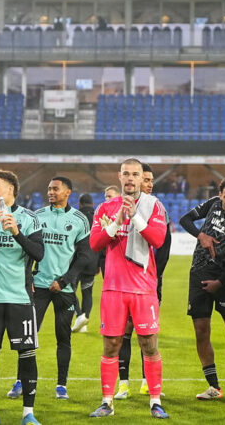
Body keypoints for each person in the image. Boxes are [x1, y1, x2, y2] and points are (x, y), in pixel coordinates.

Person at [88, 158, 169, 420]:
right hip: (113, 288)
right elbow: (95, 243)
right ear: (120, 177)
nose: (131, 178)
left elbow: (158, 239)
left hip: (143, 288)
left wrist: (136, 218)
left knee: (149, 344)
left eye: (136, 174)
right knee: (111, 345)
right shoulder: (105, 207)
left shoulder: (153, 206)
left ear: (142, 177)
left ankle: (155, 400)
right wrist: (118, 220)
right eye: (126, 174)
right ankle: (107, 402)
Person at [0, 169, 45, 425]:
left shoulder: (30, 219)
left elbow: (39, 254)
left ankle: (28, 414)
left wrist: (16, 233)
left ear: (11, 190)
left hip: (20, 299)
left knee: (27, 355)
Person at [8, 175, 91, 401]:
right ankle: (19, 381)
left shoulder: (79, 220)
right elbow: (27, 250)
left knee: (63, 338)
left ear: (67, 193)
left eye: (55, 189)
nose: (50, 192)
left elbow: (85, 256)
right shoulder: (37, 217)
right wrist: (29, 279)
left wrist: (65, 281)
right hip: (38, 287)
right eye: (49, 189)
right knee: (28, 336)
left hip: (63, 289)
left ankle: (61, 385)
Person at [178, 176, 225, 401]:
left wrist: (220, 282)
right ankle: (214, 387)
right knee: (201, 332)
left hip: (223, 280)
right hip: (198, 277)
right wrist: (200, 235)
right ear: (220, 195)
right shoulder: (212, 204)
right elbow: (185, 220)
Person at [117, 163, 171, 399]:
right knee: (123, 332)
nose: (147, 184)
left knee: (147, 334)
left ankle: (146, 382)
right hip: (124, 282)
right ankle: (123, 382)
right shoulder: (121, 207)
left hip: (149, 281)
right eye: (144, 179)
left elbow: (164, 247)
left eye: (150, 180)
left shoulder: (157, 208)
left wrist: (155, 276)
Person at [71, 193, 99, 334]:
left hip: (76, 260)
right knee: (87, 292)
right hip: (93, 260)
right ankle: (84, 320)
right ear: (92, 205)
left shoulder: (75, 216)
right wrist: (99, 263)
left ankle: (79, 315)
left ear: (80, 204)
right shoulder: (98, 217)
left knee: (70, 290)